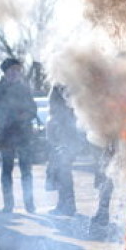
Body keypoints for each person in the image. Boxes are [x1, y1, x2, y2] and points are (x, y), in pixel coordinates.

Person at [0, 58, 37, 213]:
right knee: (6, 171)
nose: (15, 73)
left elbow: (33, 109)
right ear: (5, 72)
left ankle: (29, 204)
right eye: (12, 70)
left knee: (26, 171)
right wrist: (6, 117)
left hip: (24, 135)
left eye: (18, 70)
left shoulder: (24, 89)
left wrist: (25, 115)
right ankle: (8, 204)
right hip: (5, 135)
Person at [46, 84, 79, 216]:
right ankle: (64, 204)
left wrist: (64, 145)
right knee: (61, 176)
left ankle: (68, 206)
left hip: (65, 145)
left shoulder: (66, 109)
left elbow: (69, 129)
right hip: (60, 145)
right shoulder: (57, 110)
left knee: (64, 176)